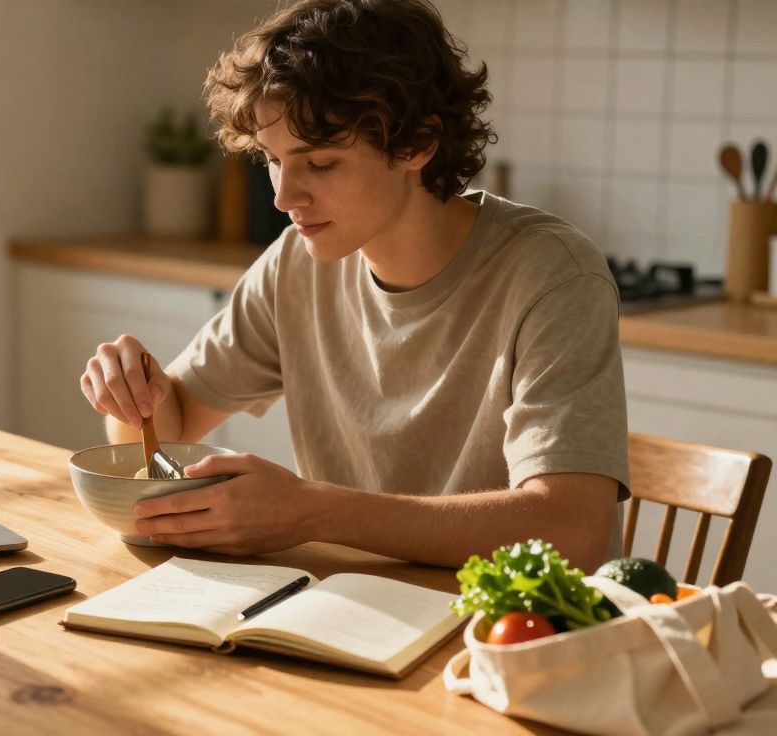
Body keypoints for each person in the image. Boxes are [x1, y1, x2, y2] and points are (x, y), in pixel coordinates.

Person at [78, 0, 629, 573]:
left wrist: (313, 512)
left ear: (417, 144)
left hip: (516, 638)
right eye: (273, 159)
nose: (283, 197)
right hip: (359, 616)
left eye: (320, 164)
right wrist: (137, 394)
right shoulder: (297, 263)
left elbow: (571, 532)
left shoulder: (553, 274)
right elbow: (170, 429)